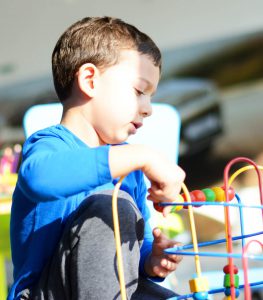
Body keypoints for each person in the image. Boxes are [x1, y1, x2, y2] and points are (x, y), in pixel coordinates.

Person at [8, 17, 186, 300]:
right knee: (111, 207)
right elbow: (39, 178)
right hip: (48, 292)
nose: (148, 109)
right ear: (90, 80)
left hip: (117, 291)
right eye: (139, 91)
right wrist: (142, 154)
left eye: (150, 97)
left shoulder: (132, 169)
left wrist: (152, 259)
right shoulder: (51, 145)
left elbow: (135, 249)